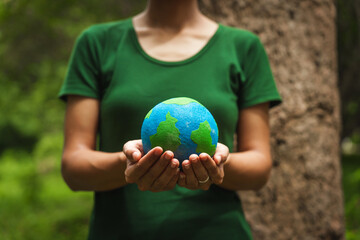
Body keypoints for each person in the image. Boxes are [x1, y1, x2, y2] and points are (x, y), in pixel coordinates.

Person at [58, 0, 282, 239]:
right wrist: (130, 163)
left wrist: (218, 163)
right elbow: (74, 166)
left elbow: (260, 166)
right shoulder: (97, 43)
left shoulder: (243, 47)